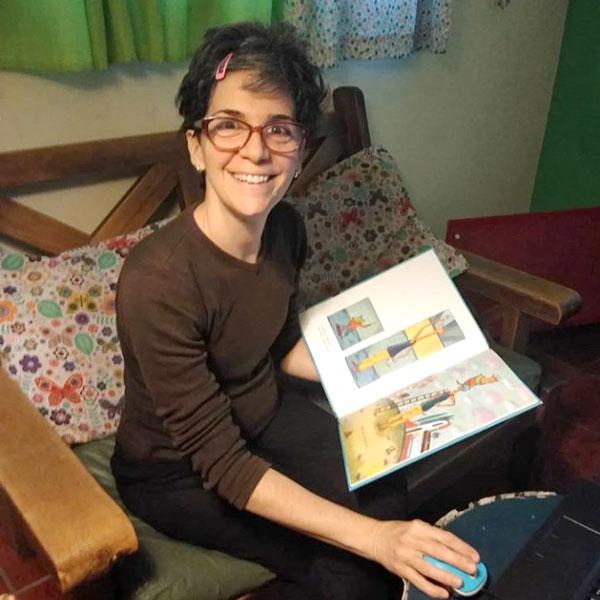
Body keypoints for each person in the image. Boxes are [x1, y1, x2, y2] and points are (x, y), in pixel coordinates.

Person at [111, 21, 480, 600]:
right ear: (196, 146)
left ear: (300, 150)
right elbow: (224, 464)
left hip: (265, 413)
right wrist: (374, 540)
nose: (256, 150)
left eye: (279, 129)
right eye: (229, 125)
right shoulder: (158, 281)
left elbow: (280, 345)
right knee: (353, 569)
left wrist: (401, 363)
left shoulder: (286, 228)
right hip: (176, 471)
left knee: (385, 488)